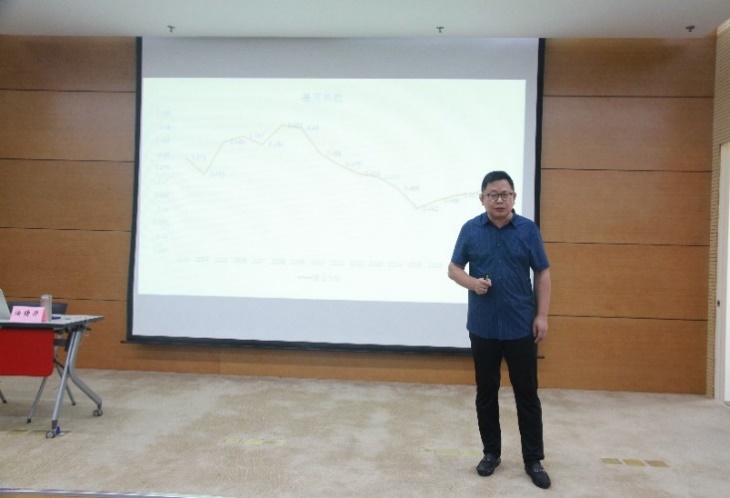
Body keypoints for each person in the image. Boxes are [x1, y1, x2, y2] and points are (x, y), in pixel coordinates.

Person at [448, 170, 552, 489]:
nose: (499, 200)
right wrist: (472, 283)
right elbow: (453, 269)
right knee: (486, 393)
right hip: (483, 327)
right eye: (493, 194)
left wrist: (542, 315)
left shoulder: (528, 230)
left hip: (521, 325)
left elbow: (543, 272)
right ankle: (491, 453)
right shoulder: (471, 229)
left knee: (527, 394)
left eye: (505, 194)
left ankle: (533, 459)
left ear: (514, 197)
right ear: (482, 198)